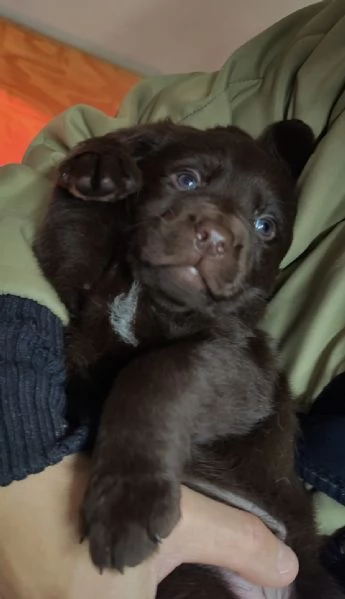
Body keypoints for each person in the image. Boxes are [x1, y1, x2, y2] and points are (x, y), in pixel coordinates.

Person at [0, 0, 344, 597]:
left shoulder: (229, 341)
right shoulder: (323, 51)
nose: (217, 229)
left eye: (263, 229)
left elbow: (232, 380)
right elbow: (40, 207)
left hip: (287, 561)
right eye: (188, 180)